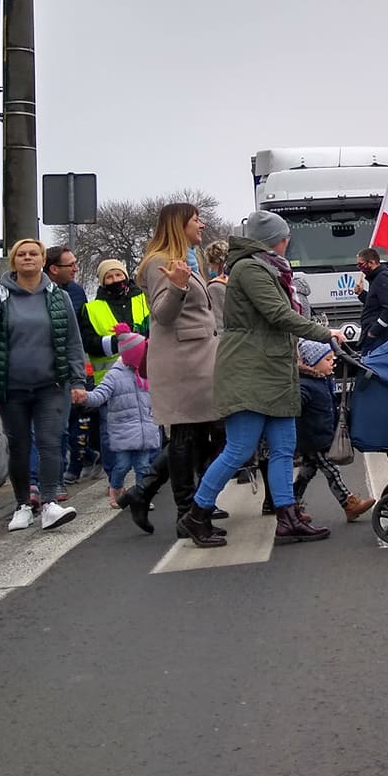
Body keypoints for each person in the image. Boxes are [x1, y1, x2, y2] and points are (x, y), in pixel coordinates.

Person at [180, 210, 344, 547]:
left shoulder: (266, 268)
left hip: (273, 368)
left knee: (284, 447)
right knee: (239, 448)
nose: (287, 243)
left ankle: (288, 517)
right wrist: (323, 333)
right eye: (285, 237)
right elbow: (278, 314)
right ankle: (197, 515)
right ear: (274, 240)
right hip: (250, 368)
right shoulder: (251, 268)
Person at [124, 203, 225, 538]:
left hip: (200, 358)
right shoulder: (158, 263)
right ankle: (187, 512)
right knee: (186, 435)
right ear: (179, 225)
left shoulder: (188, 259)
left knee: (209, 434)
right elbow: (162, 315)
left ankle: (149, 494)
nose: (203, 224)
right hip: (182, 361)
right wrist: (180, 286)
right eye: (196, 220)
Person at [0, 238, 85, 532]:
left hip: (51, 385)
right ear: (14, 262)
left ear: (42, 260)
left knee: (50, 443)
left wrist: (78, 381)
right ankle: (23, 504)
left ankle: (49, 503)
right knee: (20, 446)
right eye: (21, 254)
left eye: (33, 253)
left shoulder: (57, 297)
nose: (27, 258)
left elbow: (73, 341)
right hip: (11, 388)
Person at [78, 325, 160, 508]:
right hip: (123, 432)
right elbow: (100, 395)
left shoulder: (147, 373)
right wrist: (85, 397)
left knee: (143, 467)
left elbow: (160, 392)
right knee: (121, 466)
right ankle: (115, 488)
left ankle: (142, 497)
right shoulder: (114, 376)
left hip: (146, 430)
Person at [295, 338, 375, 523]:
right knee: (332, 471)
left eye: (332, 359)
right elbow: (297, 409)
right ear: (312, 363)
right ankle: (349, 504)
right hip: (315, 438)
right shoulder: (305, 386)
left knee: (307, 473)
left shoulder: (322, 380)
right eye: (327, 360)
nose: (333, 362)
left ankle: (291, 503)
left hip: (319, 436)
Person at [45, 246, 95, 483]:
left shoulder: (75, 291)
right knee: (55, 427)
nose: (76, 268)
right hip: (45, 369)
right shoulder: (39, 292)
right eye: (71, 265)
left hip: (73, 366)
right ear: (54, 269)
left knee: (76, 418)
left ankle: (76, 463)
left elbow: (80, 331)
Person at [355, 246, 388, 355]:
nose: (359, 268)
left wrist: (374, 331)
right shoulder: (376, 279)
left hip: (382, 337)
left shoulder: (383, 278)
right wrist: (362, 294)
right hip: (378, 336)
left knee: (369, 369)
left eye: (361, 264)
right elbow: (375, 304)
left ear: (371, 262)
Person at [204, 240, 229, 326]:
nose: (209, 267)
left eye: (210, 263)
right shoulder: (234, 280)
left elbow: (218, 322)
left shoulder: (215, 287)